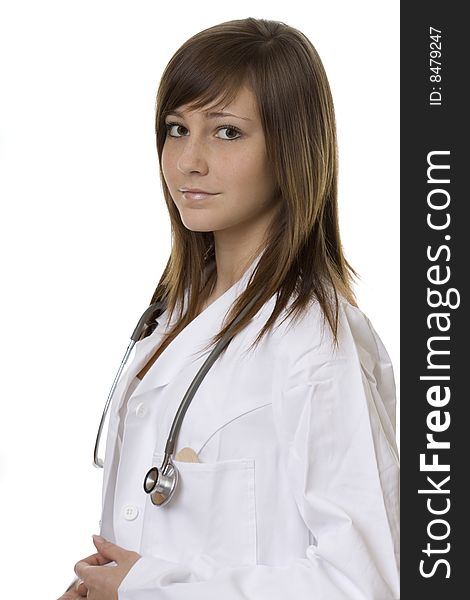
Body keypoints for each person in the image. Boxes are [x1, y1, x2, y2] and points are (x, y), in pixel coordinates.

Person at [59, 16, 400, 600]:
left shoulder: (315, 341)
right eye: (175, 128)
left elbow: (365, 582)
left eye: (226, 132)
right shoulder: (172, 318)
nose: (187, 161)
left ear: (291, 147)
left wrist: (147, 591)